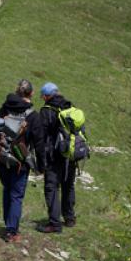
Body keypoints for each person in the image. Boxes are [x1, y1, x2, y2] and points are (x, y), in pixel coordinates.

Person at [0, 80, 45, 242]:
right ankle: (12, 231)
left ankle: (8, 224)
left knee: (7, 189)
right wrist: (41, 166)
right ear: (31, 93)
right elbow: (39, 143)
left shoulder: (4, 108)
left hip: (1, 156)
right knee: (16, 195)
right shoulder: (33, 115)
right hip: (20, 159)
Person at [38, 82, 77, 233]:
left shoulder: (47, 110)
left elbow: (41, 136)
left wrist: (41, 158)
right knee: (68, 185)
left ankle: (54, 223)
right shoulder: (69, 106)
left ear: (47, 96)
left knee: (52, 188)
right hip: (70, 155)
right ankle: (69, 218)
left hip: (54, 156)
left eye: (43, 96)